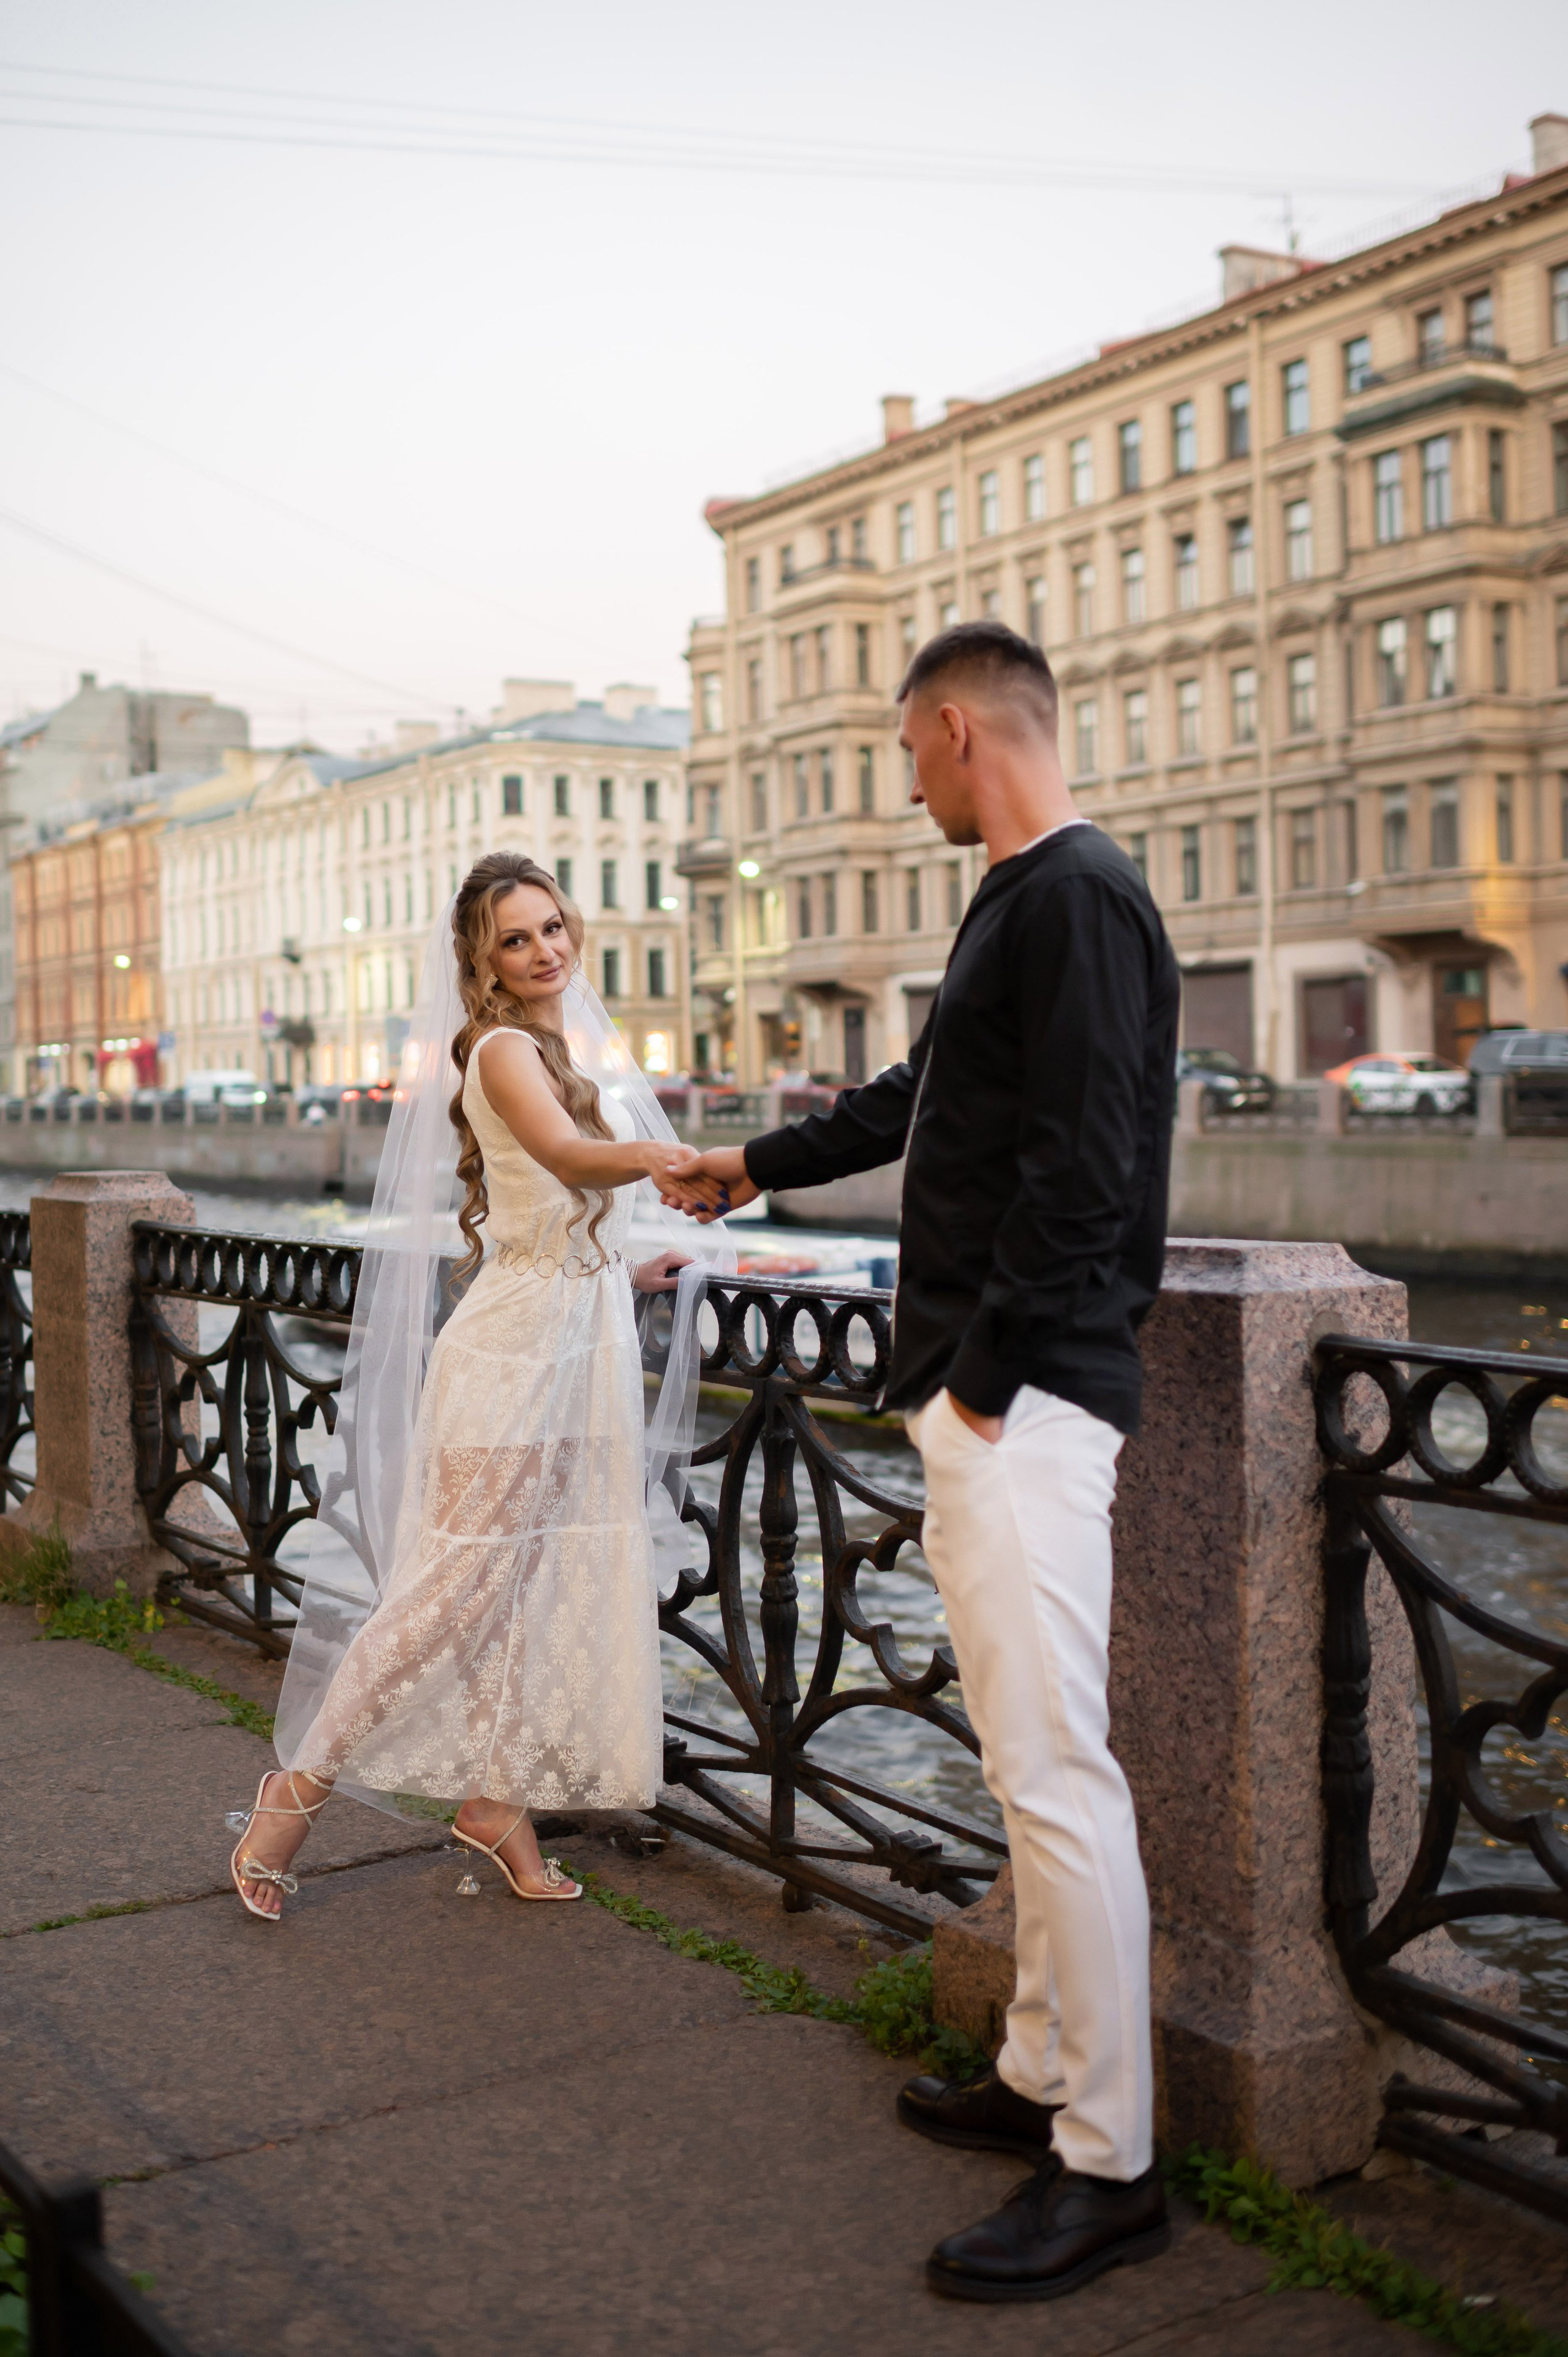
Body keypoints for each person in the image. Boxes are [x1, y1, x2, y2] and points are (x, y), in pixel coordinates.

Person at [666, 622, 1180, 2305]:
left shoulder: (1081, 897)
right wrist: (747, 1162)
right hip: (995, 1402)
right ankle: (1040, 2069)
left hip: (1021, 1408)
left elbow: (1084, 1167)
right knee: (1032, 1771)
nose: (902, 780)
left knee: (1056, 1778)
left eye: (905, 752)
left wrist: (981, 1383)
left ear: (960, 731)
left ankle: (1109, 2167)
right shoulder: (1020, 900)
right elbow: (921, 1101)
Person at [232, 851, 723, 1917]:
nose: (545, 950)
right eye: (517, 937)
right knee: (447, 1593)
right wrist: (664, 1158)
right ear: (483, 960)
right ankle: (291, 1796)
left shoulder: (548, 1045)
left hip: (569, 1344)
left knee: (530, 1584)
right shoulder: (503, 1048)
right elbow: (559, 1155)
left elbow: (537, 1212)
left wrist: (624, 1269)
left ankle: (497, 1804)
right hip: (510, 1359)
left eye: (553, 927)